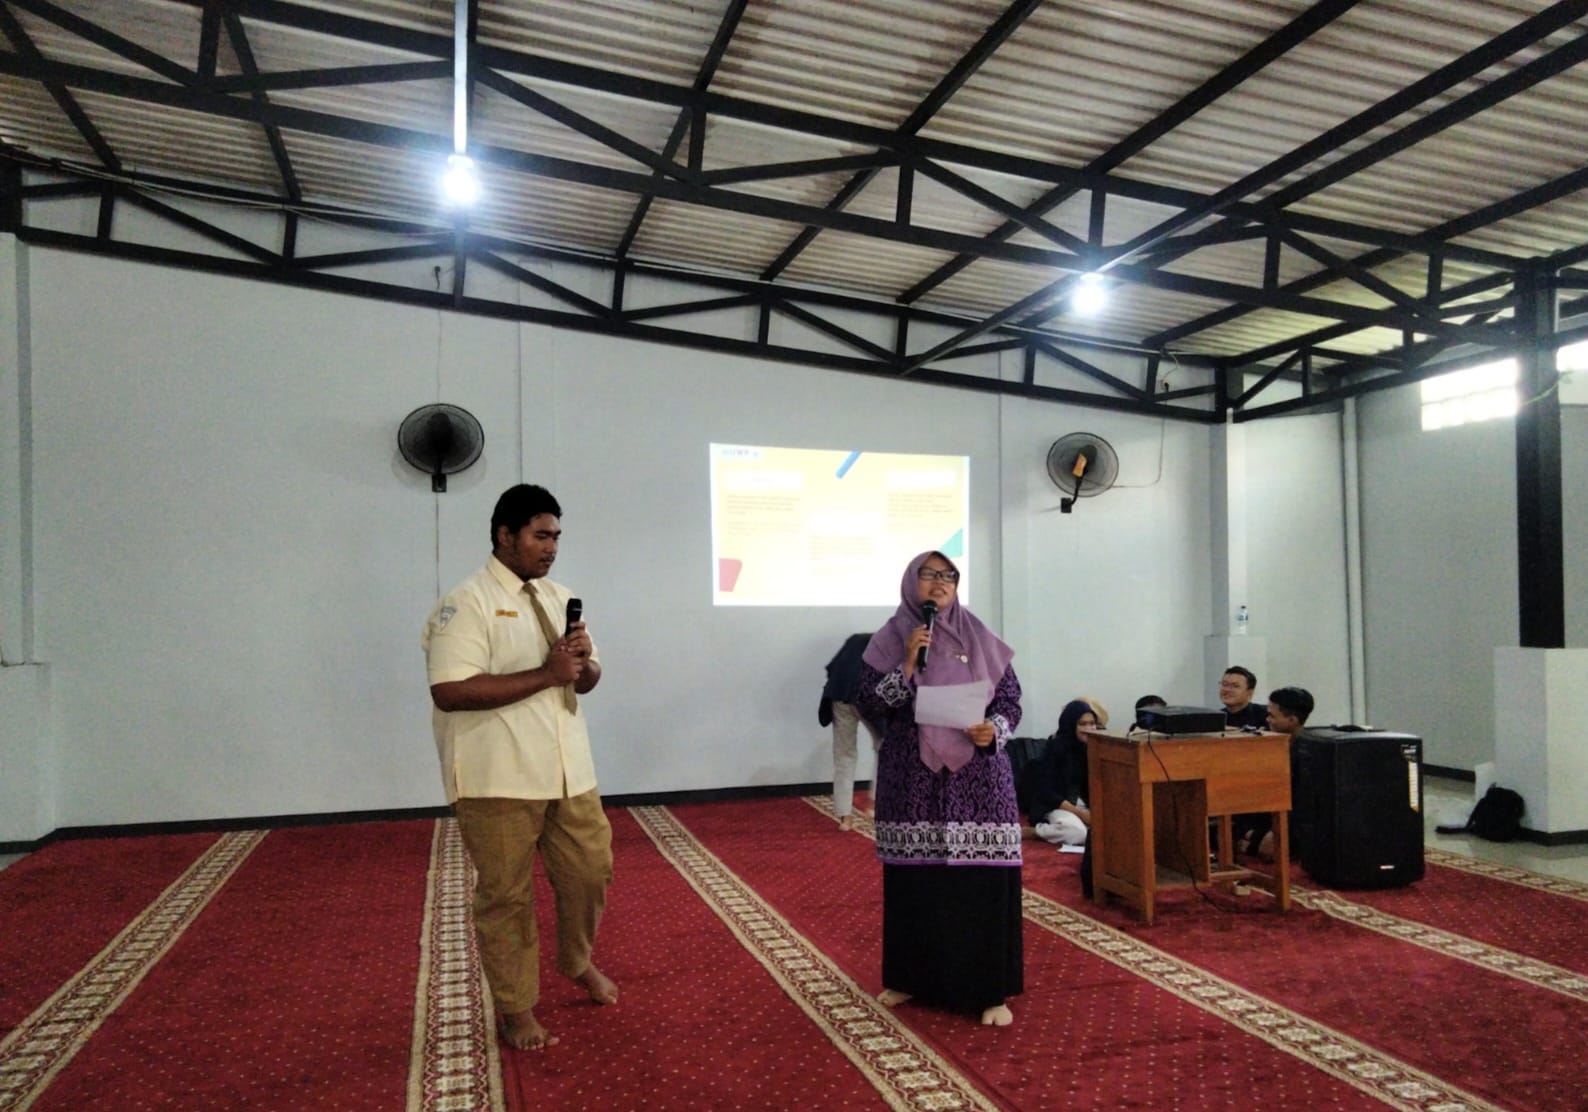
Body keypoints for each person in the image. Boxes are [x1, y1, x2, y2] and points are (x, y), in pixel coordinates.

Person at [421, 484, 617, 1052]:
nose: (551, 547)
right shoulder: (467, 602)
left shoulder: (560, 597)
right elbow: (450, 690)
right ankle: (516, 1007)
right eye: (540, 535)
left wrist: (582, 665)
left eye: (556, 536)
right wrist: (547, 675)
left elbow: (587, 679)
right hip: (497, 776)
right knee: (506, 896)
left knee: (590, 871)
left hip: (569, 770)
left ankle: (575, 960)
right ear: (505, 536)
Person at [856, 551, 1023, 1028]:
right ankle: (911, 978)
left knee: (980, 883)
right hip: (913, 780)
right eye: (929, 574)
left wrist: (994, 730)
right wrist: (907, 664)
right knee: (917, 882)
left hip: (978, 781)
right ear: (912, 581)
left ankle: (989, 990)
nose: (939, 583)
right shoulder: (890, 639)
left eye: (948, 575)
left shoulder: (980, 636)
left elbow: (1010, 701)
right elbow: (868, 702)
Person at [820, 633, 883, 830]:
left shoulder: (855, 640)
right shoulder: (890, 643)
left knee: (844, 755)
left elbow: (831, 669)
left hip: (839, 696)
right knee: (886, 748)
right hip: (866, 698)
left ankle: (845, 818)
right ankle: (874, 805)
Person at [1248, 686, 1316, 860]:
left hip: (1296, 821)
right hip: (1272, 815)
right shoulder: (1275, 744)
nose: (1267, 719)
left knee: (1265, 848)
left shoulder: (1306, 755)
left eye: (1272, 716)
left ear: (1292, 720)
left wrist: (1276, 832)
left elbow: (1302, 804)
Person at [1027, 699, 1100, 846]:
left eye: (1092, 723)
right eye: (1082, 724)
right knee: (1078, 833)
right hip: (1058, 806)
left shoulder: (1094, 749)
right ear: (1071, 724)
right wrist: (1081, 814)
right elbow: (1046, 792)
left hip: (1085, 806)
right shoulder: (1056, 748)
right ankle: (1036, 831)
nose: (1089, 728)